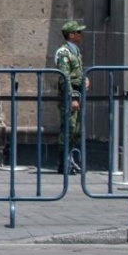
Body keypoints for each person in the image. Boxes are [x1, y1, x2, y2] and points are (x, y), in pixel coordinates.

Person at [54, 20, 89, 175]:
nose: (81, 34)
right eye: (78, 32)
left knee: (75, 129)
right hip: (70, 95)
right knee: (68, 128)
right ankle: (63, 164)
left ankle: (71, 160)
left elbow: (76, 73)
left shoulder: (75, 51)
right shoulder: (64, 53)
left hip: (78, 93)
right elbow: (65, 77)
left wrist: (85, 79)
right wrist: (72, 97)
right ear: (71, 35)